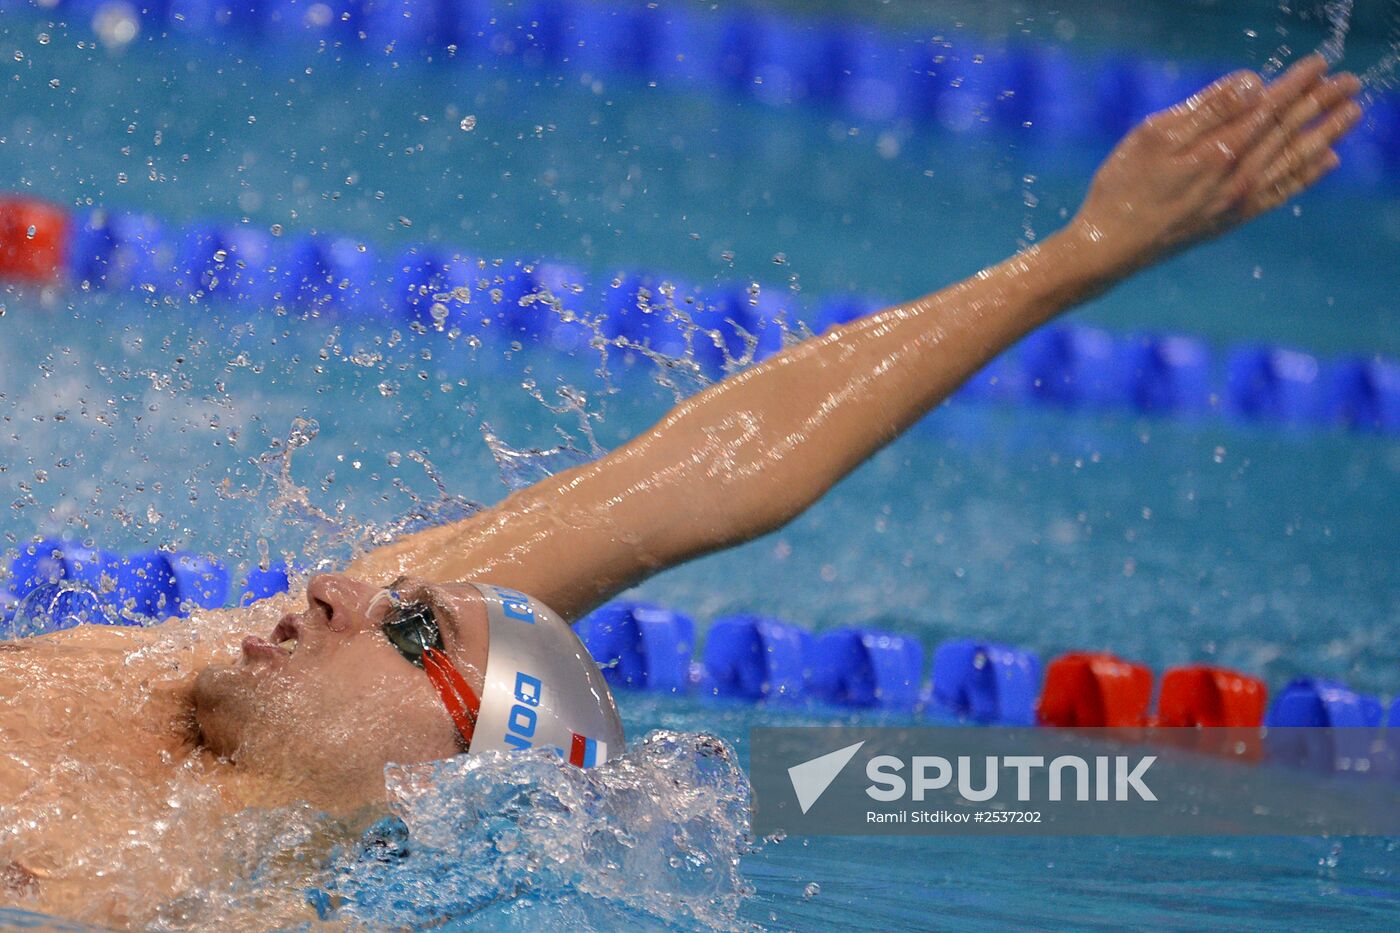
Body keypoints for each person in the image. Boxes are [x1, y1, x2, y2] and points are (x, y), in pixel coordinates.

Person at [0, 56, 1363, 925]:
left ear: (449, 778)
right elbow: (702, 481)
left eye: (414, 629)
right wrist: (1078, 255)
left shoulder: (185, 900)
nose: (338, 583)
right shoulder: (160, 674)